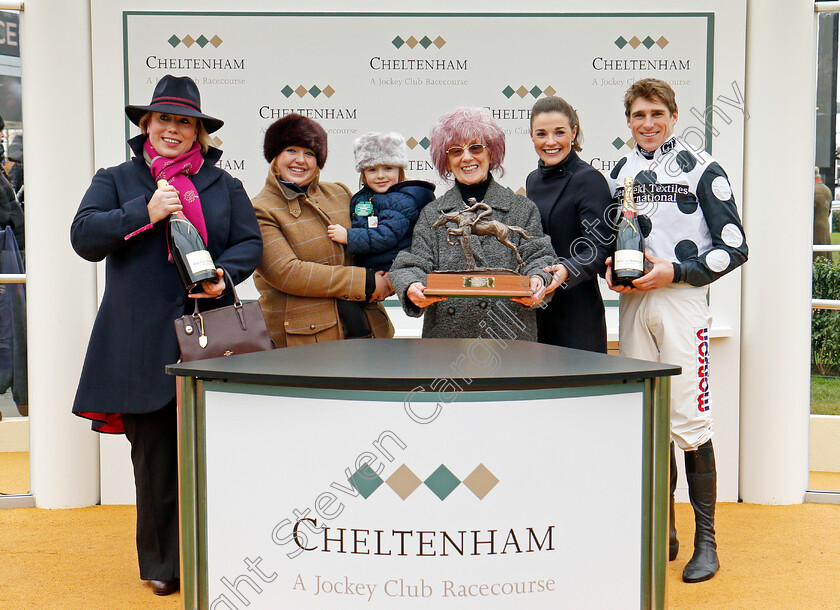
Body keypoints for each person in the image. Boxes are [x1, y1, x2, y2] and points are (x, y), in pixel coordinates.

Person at [70, 75, 263, 597]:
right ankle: (162, 563)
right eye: (164, 119)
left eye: (185, 121)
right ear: (145, 125)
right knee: (154, 460)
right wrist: (144, 211)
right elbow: (84, 236)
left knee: (217, 454)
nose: (173, 129)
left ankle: (218, 550)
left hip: (212, 333)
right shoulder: (115, 179)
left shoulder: (225, 186)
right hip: (140, 343)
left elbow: (250, 244)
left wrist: (225, 271)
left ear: (199, 132)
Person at [605, 78, 748, 583]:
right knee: (648, 417)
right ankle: (662, 529)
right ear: (628, 120)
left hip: (683, 303)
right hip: (633, 303)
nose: (647, 124)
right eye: (638, 115)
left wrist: (677, 271)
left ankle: (705, 541)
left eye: (656, 114)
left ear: (673, 115)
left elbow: (735, 248)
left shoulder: (703, 167)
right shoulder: (621, 170)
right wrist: (610, 267)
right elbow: (613, 235)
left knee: (689, 420)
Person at [390, 107, 556, 339]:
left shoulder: (522, 208)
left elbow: (539, 257)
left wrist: (539, 279)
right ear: (446, 161)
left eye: (476, 147)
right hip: (446, 342)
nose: (467, 157)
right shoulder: (432, 213)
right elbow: (411, 265)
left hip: (509, 339)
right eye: (456, 151)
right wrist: (411, 286)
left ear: (492, 153)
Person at [251, 114, 394, 346]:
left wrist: (390, 276)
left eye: (309, 153)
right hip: (306, 341)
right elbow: (287, 273)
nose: (300, 160)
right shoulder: (260, 209)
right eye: (291, 150)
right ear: (274, 155)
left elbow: (370, 241)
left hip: (366, 329)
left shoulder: (339, 192)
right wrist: (366, 282)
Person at [526, 96, 613, 352]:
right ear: (531, 135)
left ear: (573, 133)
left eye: (559, 132)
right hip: (536, 313)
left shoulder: (589, 180)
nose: (550, 142)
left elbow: (599, 248)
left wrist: (566, 270)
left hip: (577, 318)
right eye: (542, 133)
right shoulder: (532, 180)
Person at [326, 131, 435, 271]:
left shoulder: (402, 200)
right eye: (372, 170)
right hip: (369, 268)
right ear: (363, 174)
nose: (380, 176)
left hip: (394, 270)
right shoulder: (363, 197)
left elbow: (386, 236)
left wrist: (348, 236)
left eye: (388, 168)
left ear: (399, 170)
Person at [814, 167, 832, 261]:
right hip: (825, 226)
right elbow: (829, 210)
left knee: (817, 258)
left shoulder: (813, 191)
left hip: (815, 229)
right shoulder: (827, 190)